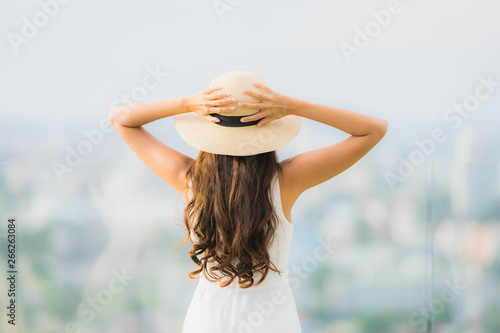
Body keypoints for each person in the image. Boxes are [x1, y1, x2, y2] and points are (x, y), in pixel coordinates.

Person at [109, 71, 388, 332]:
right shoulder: (287, 181)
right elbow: (374, 129)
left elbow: (121, 118)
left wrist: (188, 103)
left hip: (208, 318)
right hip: (271, 318)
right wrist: (294, 106)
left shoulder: (190, 180)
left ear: (208, 130)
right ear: (268, 130)